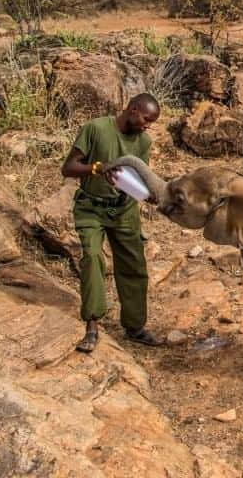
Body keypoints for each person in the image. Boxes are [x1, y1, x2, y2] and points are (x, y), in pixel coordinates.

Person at [61, 93, 163, 353]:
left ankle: (135, 327)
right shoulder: (95, 129)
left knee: (134, 265)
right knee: (93, 258)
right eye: (146, 119)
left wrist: (147, 195)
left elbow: (140, 177)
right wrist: (98, 168)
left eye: (151, 122)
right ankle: (92, 325)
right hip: (91, 208)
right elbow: (69, 167)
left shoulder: (143, 141)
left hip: (124, 210)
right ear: (133, 109)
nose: (147, 125)